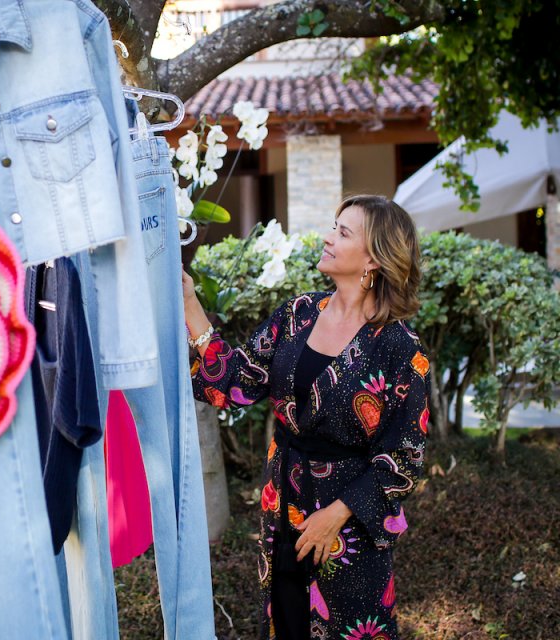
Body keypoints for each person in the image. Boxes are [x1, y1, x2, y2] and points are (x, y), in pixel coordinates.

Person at [183, 195, 430, 640]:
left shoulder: (399, 348)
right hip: (282, 503)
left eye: (342, 232)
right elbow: (238, 381)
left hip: (348, 528)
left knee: (347, 626)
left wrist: (336, 515)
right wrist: (188, 304)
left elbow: (403, 460)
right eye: (333, 227)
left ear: (373, 256)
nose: (327, 238)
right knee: (288, 619)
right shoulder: (299, 314)